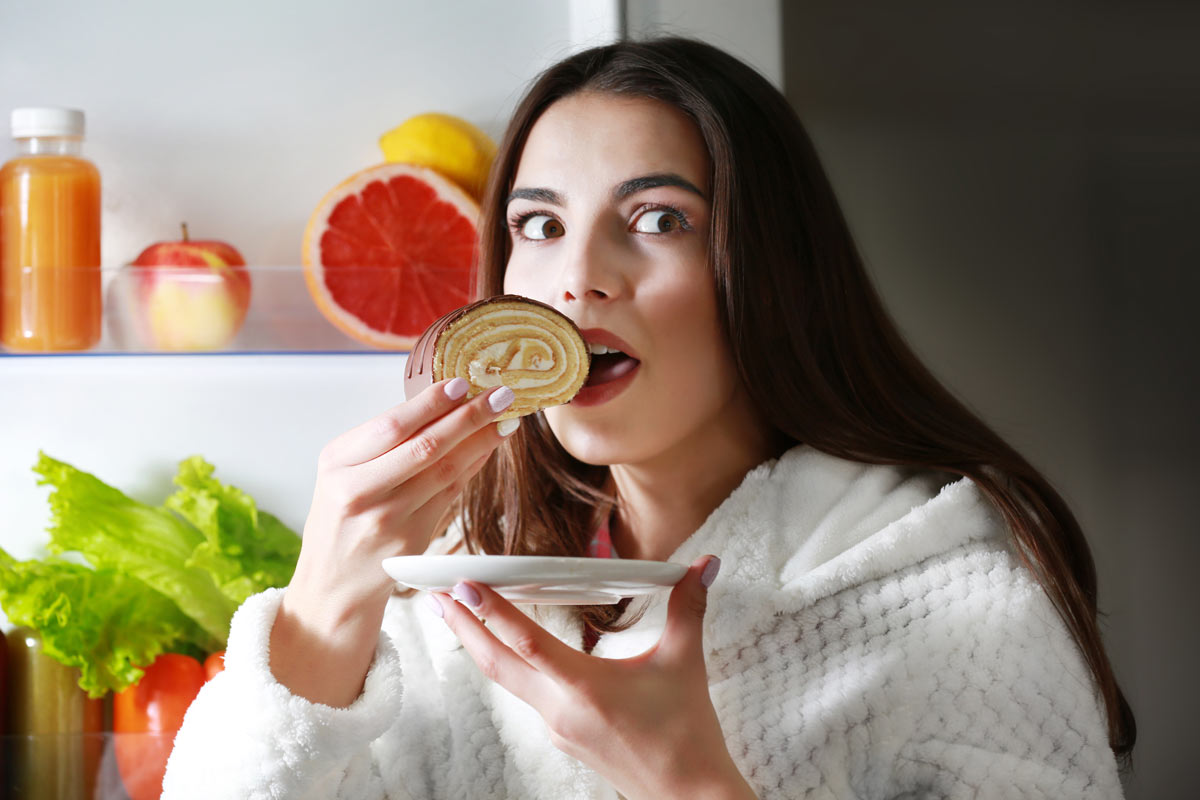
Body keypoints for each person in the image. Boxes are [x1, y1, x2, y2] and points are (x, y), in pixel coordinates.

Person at [164, 37, 1134, 799]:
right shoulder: (463, 586)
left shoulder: (956, 603)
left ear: (768, 271)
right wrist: (323, 607)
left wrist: (693, 786)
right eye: (538, 225)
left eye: (658, 218)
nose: (577, 275)